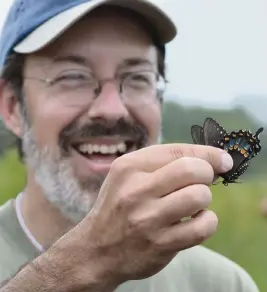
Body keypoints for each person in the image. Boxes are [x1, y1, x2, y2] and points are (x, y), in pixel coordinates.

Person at [0, 0, 259, 291]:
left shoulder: (221, 285)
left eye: (137, 78)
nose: (112, 110)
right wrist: (87, 262)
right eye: (72, 77)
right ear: (12, 106)